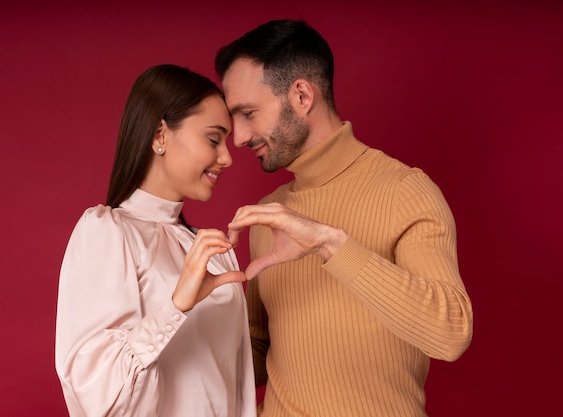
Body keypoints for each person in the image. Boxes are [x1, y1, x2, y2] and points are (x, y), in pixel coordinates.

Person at [215, 19, 473, 417]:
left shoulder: (404, 191)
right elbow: (259, 353)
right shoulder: (270, 214)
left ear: (301, 95)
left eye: (247, 113)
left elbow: (450, 334)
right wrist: (185, 309)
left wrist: (328, 243)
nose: (239, 137)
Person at [54, 64, 256, 417]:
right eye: (213, 139)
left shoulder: (216, 254)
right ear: (160, 135)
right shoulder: (108, 233)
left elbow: (236, 387)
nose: (226, 157)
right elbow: (99, 396)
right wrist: (176, 306)